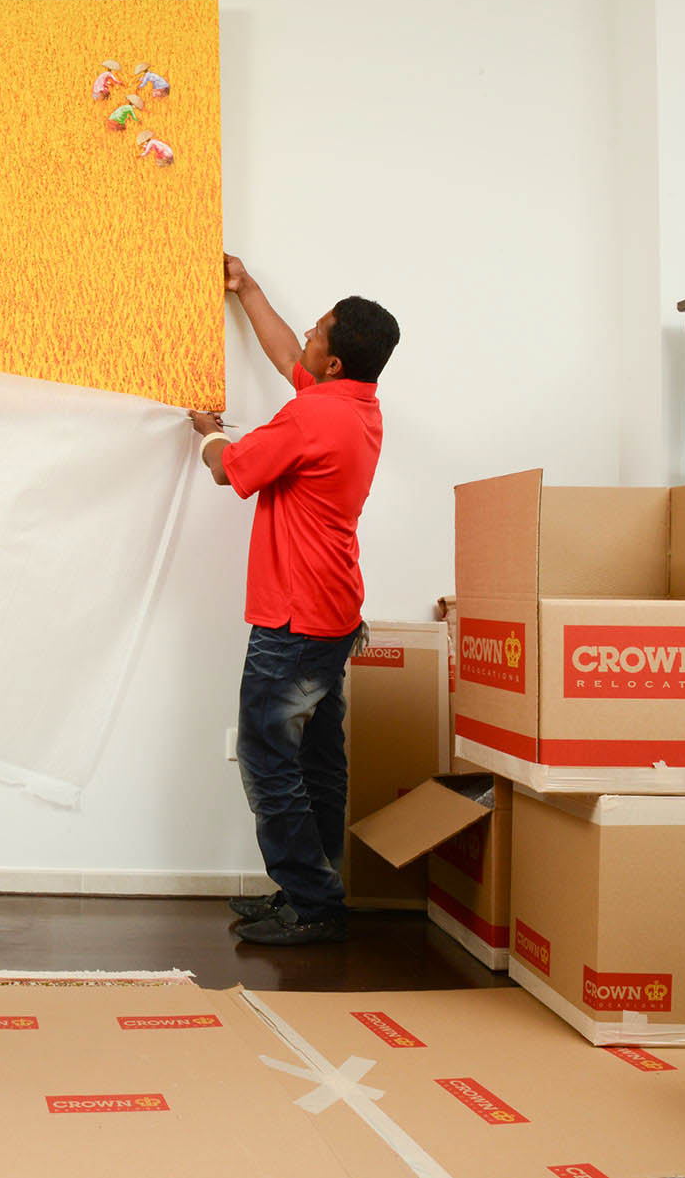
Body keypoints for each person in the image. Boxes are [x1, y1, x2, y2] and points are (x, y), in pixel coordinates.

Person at [189, 254, 398, 948]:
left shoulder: (312, 418)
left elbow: (229, 471)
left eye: (318, 332)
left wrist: (209, 429)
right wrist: (246, 287)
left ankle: (310, 903)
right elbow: (286, 356)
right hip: (333, 611)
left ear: (335, 363)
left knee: (267, 756)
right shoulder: (357, 405)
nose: (306, 333)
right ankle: (317, 886)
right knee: (315, 759)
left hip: (294, 618)